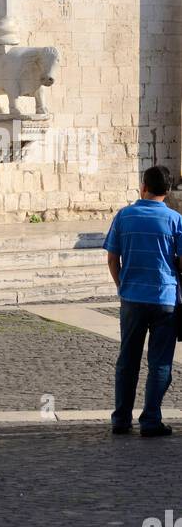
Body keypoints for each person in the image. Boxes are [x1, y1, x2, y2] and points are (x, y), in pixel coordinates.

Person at [103, 164, 182, 437]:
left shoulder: (124, 216)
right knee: (160, 362)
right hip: (166, 298)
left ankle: (121, 419)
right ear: (168, 191)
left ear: (143, 187)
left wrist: (121, 286)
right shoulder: (175, 220)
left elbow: (112, 259)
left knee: (128, 360)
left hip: (132, 297)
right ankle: (151, 420)